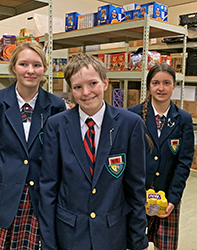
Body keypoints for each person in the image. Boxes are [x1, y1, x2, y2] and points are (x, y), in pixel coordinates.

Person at [39, 53, 148, 250]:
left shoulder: (130, 124)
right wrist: (48, 243)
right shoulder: (56, 126)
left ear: (105, 83)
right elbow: (48, 187)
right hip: (70, 235)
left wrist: (138, 241)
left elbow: (136, 188)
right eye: (78, 87)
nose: (86, 92)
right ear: (71, 90)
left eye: (93, 84)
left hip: (111, 233)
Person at [0, 42, 66, 249]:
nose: (31, 71)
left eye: (37, 65)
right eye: (24, 64)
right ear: (14, 67)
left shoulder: (55, 106)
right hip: (3, 193)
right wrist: (4, 171)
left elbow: (57, 152)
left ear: (45, 69)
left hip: (38, 195)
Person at [128, 63, 194, 250]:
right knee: (134, 243)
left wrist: (174, 198)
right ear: (149, 85)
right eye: (156, 83)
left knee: (164, 245)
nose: (161, 88)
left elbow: (184, 162)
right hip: (137, 196)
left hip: (167, 196)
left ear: (174, 86)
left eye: (166, 83)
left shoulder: (183, 119)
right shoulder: (133, 115)